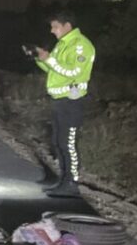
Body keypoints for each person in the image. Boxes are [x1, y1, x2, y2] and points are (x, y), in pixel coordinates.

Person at [32, 11, 96, 198]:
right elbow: (54, 70)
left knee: (68, 143)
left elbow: (73, 71)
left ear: (67, 25)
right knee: (58, 142)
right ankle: (64, 180)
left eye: (55, 26)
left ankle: (72, 183)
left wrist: (49, 59)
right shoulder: (63, 44)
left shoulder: (80, 45)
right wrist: (39, 58)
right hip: (60, 101)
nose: (52, 31)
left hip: (72, 101)